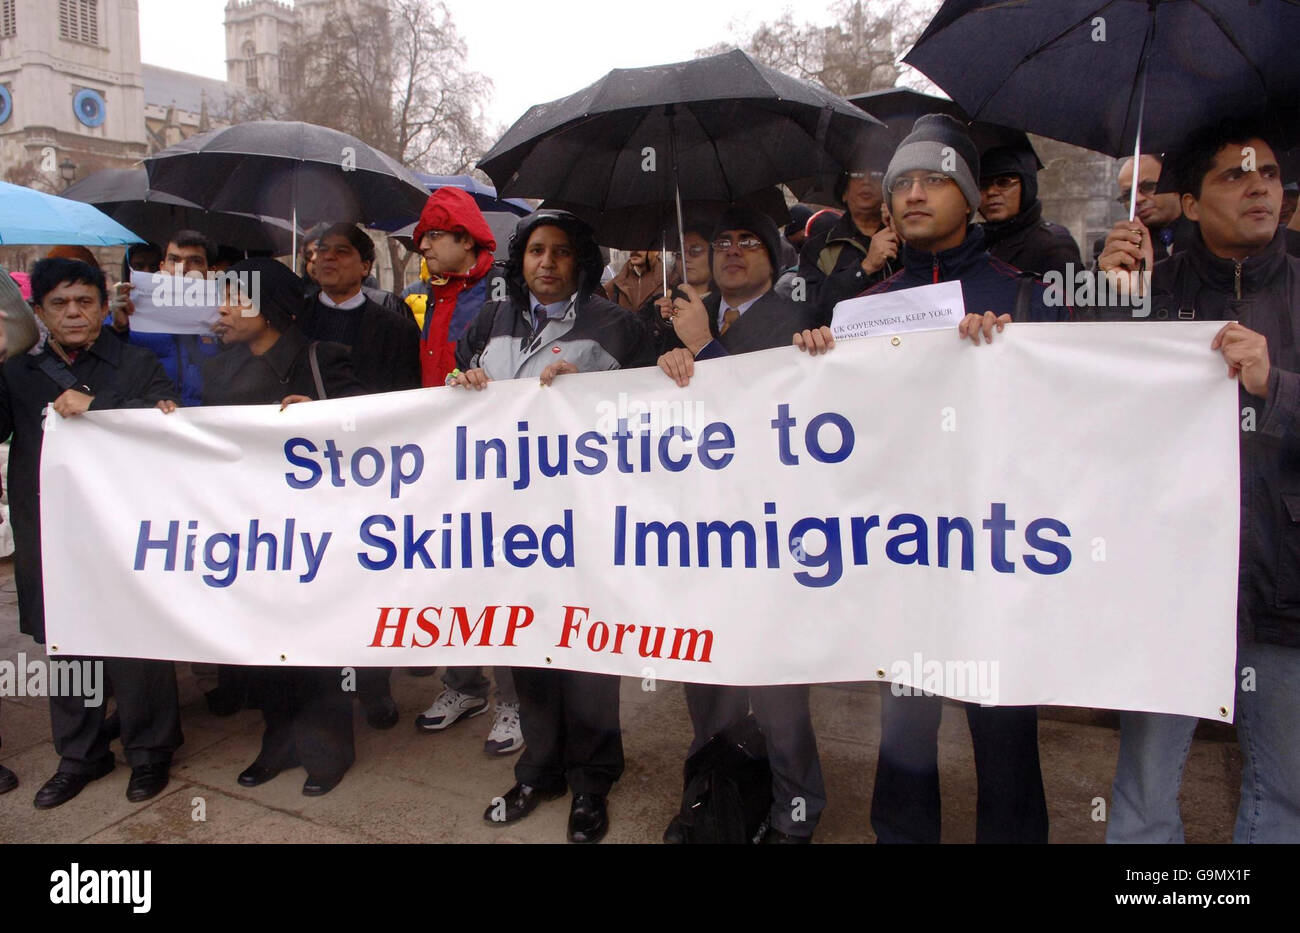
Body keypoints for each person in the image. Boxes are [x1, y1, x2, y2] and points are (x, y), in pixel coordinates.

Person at [795, 114, 1067, 844]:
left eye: (935, 179)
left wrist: (1015, 357)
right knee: (906, 726)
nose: (914, 194)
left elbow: (1070, 421)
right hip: (904, 555)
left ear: (972, 197)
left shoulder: (1024, 294)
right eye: (902, 183)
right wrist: (816, 362)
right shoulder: (859, 312)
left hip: (995, 555)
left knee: (1004, 729)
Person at [1093, 120, 1300, 843]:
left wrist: (1274, 384)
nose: (1259, 187)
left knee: (1285, 793)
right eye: (1236, 174)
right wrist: (1111, 301)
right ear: (1189, 199)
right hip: (1168, 584)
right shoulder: (1151, 286)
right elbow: (1090, 411)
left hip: (1282, 584)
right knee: (1144, 794)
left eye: (1269, 174)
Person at [460, 209, 652, 843]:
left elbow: (653, 411)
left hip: (588, 519)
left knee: (590, 648)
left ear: (581, 263)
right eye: (536, 251)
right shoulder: (491, 321)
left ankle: (592, 781)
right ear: (522, 262)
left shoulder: (617, 326)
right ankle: (539, 769)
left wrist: (595, 391)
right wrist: (463, 385)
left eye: (562, 252)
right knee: (530, 648)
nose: (547, 261)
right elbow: (448, 402)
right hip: (512, 524)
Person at [654, 207, 825, 844]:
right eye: (719, 241)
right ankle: (714, 796)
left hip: (770, 533)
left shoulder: (800, 323)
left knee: (777, 694)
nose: (730, 251)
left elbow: (768, 418)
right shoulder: (677, 320)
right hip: (697, 533)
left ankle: (794, 811)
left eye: (747, 241)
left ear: (773, 257)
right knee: (707, 686)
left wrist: (705, 346)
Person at [0, 258, 182, 809]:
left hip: (125, 531)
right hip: (52, 536)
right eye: (59, 304)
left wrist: (99, 408)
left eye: (84, 301)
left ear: (106, 308)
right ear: (39, 313)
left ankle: (150, 752)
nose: (73, 313)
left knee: (137, 644)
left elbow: (166, 433)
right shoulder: (16, 373)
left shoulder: (137, 363)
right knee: (69, 642)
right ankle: (80, 754)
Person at [201, 258, 364, 796]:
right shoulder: (218, 371)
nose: (221, 309)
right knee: (266, 641)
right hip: (252, 532)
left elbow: (371, 438)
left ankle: (326, 749)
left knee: (318, 645)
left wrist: (321, 418)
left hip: (318, 535)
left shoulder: (324, 361)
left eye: (235, 298)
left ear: (271, 310)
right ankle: (277, 740)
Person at [296, 223, 421, 730]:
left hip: (372, 475)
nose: (325, 260)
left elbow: (409, 398)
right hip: (308, 476)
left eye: (339, 252)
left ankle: (373, 687)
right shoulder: (294, 322)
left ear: (366, 265)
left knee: (369, 580)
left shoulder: (391, 325)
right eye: (317, 253)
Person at [109, 229, 225, 408]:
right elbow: (103, 363)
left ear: (210, 271)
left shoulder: (225, 312)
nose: (183, 269)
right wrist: (117, 329)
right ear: (162, 267)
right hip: (153, 419)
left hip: (206, 422)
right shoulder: (131, 311)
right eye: (174, 260)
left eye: (195, 261)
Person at [797, 149, 899, 325]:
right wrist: (864, 268)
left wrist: (902, 229)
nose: (866, 181)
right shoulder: (817, 249)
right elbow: (806, 310)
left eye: (875, 174)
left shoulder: (906, 236)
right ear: (843, 193)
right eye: (857, 174)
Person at [978, 141, 1082, 278]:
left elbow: (1074, 298)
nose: (991, 192)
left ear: (1027, 187)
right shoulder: (974, 244)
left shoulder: (1054, 246)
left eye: (1003, 182)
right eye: (983, 185)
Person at [1091, 154, 1193, 265]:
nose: (1137, 199)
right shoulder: (1116, 247)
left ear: (1174, 184)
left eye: (1148, 187)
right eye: (1128, 195)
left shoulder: (1208, 234)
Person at [604, 250, 674, 312]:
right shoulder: (616, 284)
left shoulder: (670, 281)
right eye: (631, 244)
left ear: (656, 251)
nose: (634, 250)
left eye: (641, 246)